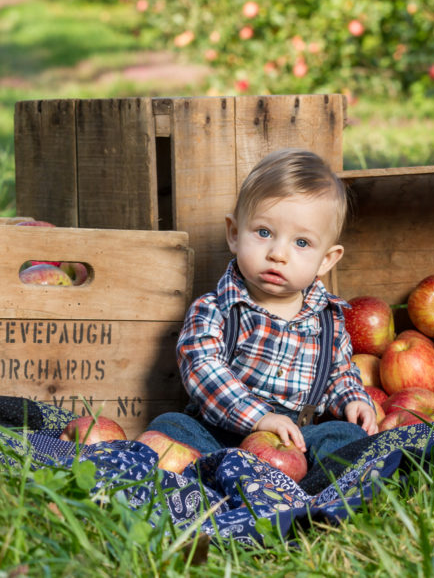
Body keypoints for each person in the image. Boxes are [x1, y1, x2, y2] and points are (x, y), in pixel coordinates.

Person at [146, 148, 378, 469]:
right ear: (234, 234)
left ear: (326, 260)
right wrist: (258, 418)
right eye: (264, 233)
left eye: (301, 243)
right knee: (171, 426)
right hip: (220, 432)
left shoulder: (330, 321)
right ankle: (216, 473)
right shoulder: (215, 310)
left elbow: (339, 373)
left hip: (294, 441)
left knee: (345, 437)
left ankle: (303, 487)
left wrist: (353, 399)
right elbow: (202, 369)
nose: (278, 254)